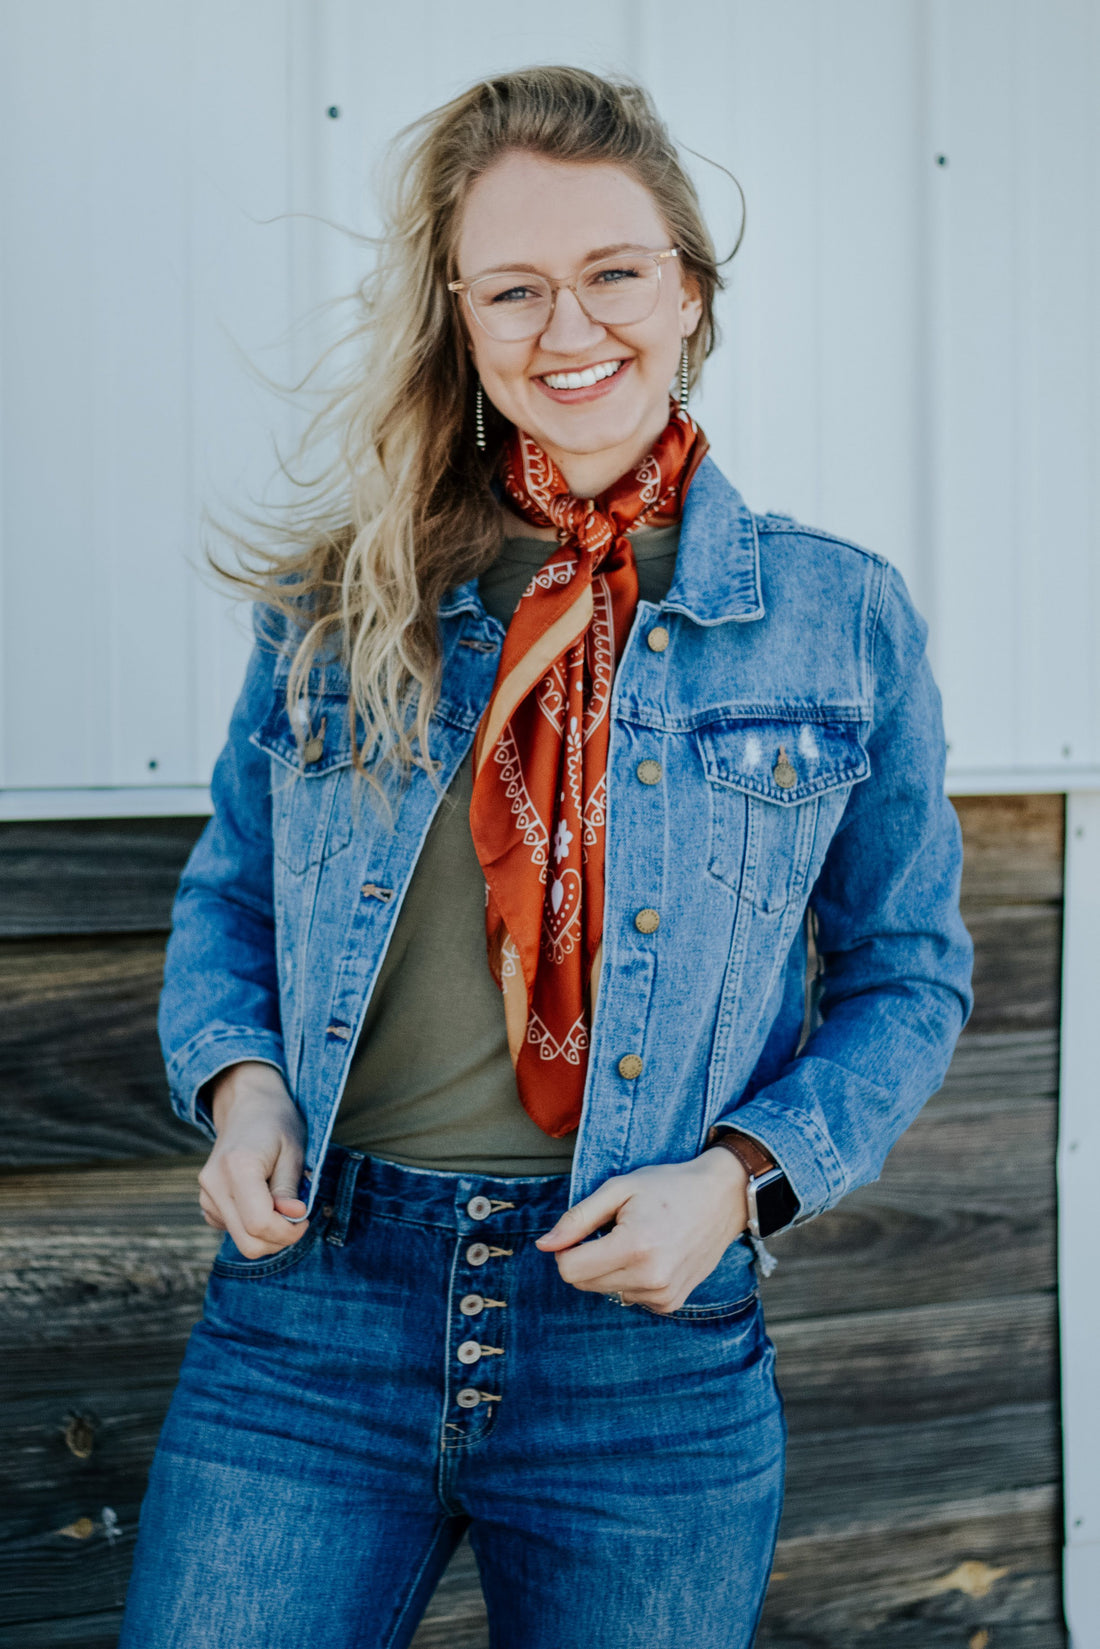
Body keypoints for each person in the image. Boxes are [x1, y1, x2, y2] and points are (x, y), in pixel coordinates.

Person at [119, 65, 973, 1649]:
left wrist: (739, 1182)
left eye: (613, 275)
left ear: (691, 293)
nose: (567, 330)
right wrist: (240, 1085)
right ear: (459, 313)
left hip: (639, 1356)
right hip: (313, 1321)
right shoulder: (337, 596)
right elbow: (231, 897)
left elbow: (910, 974)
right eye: (514, 287)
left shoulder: (839, 619)